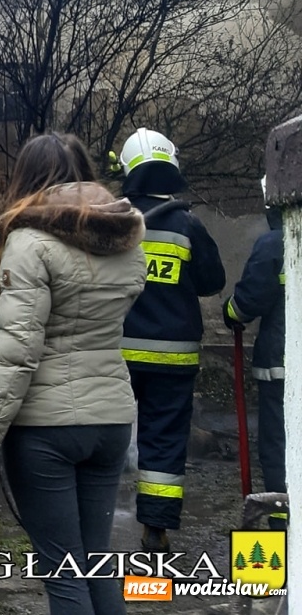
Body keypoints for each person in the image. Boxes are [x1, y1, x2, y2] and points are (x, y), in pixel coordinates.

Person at [0, 133, 146, 615]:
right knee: (96, 563)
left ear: (26, 178)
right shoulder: (125, 239)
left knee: (65, 573)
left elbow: (17, 352)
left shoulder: (28, 242)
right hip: (110, 420)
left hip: (47, 429)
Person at [114, 128, 225, 552]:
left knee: (104, 429)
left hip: (117, 354)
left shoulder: (114, 222)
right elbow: (212, 281)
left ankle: (90, 512)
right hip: (172, 360)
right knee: (164, 439)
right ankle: (155, 529)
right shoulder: (187, 224)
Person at [224, 175, 286, 531]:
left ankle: (285, 524)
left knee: (279, 447)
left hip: (281, 368)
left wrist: (230, 313)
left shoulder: (274, 244)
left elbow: (247, 303)